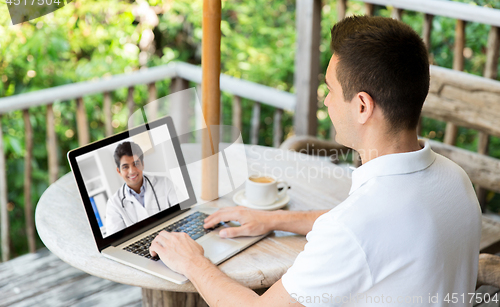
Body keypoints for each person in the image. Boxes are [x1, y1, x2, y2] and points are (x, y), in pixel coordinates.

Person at [148, 16, 482, 306]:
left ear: (362, 106)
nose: (326, 101)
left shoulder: (356, 226)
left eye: (330, 89)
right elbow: (377, 231)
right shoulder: (454, 180)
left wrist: (193, 262)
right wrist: (274, 220)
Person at [105, 141, 178, 236]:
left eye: (136, 164)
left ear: (142, 164)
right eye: (125, 167)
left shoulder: (165, 183)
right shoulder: (114, 204)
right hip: (139, 248)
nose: (132, 171)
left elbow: (183, 212)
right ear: (119, 171)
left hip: (172, 237)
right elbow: (115, 240)